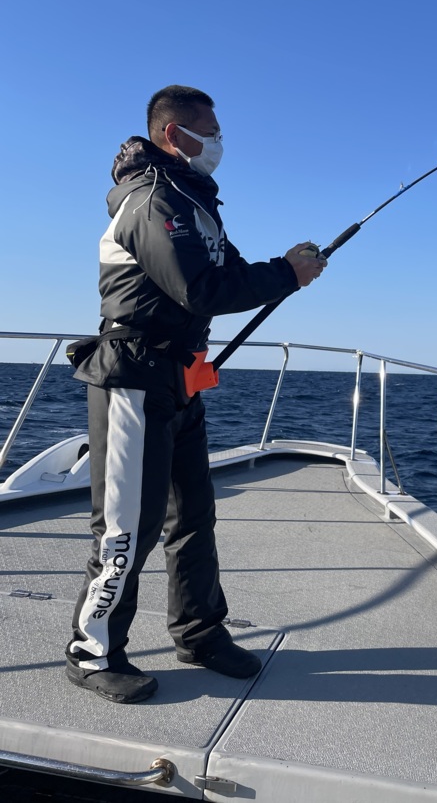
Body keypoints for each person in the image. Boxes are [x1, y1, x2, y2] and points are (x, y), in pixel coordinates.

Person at [66, 85, 326, 704]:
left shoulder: (195, 202)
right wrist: (286, 275)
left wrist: (286, 269)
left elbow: (230, 275)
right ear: (172, 134)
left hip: (179, 379)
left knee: (193, 517)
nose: (218, 142)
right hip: (132, 378)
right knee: (126, 528)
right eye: (209, 131)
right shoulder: (150, 199)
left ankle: (200, 633)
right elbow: (198, 289)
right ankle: (91, 650)